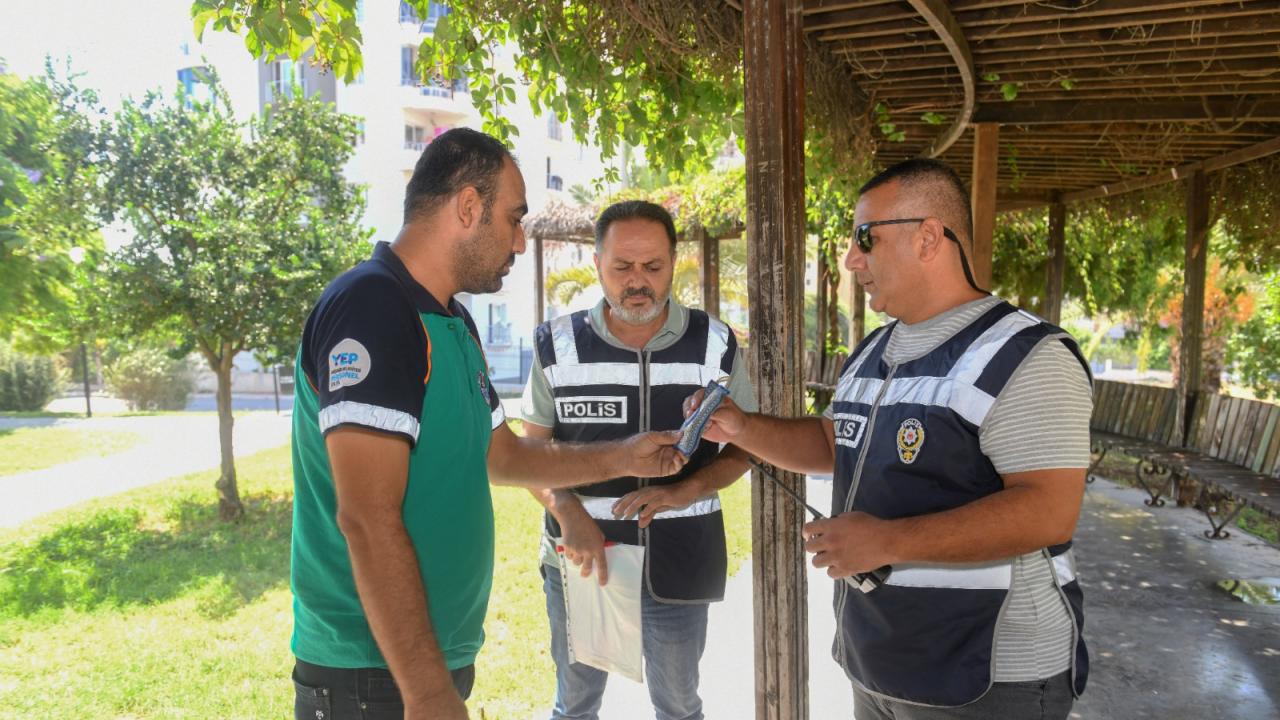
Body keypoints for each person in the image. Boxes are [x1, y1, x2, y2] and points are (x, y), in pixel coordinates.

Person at [288, 129, 686, 720]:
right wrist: (426, 694)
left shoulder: (451, 321)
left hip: (426, 661)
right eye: (513, 219)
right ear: (468, 207)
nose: (520, 242)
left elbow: (504, 456)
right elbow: (366, 517)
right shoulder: (373, 307)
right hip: (373, 674)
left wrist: (624, 455)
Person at [691, 159, 1092, 719]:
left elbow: (1049, 512)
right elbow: (837, 445)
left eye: (866, 238)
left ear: (929, 236)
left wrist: (888, 542)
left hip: (989, 676)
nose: (852, 259)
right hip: (878, 659)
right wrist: (741, 427)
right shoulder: (873, 351)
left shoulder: (1028, 356)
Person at [520, 200, 757, 720]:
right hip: (585, 560)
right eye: (622, 267)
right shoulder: (556, 346)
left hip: (681, 561)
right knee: (576, 704)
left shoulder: (715, 344)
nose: (638, 282)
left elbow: (746, 446)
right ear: (597, 262)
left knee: (678, 705)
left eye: (653, 267)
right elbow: (528, 455)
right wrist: (570, 515)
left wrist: (685, 491)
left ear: (674, 261)